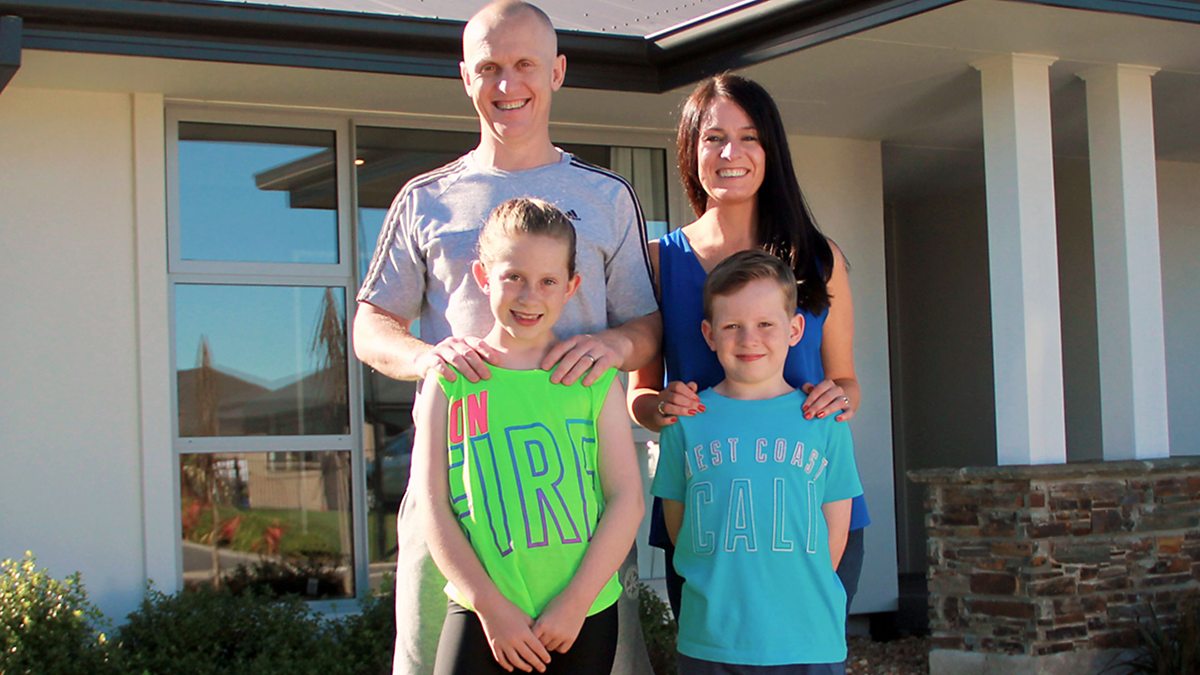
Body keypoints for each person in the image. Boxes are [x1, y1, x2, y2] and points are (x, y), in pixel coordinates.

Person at [353, 2, 660, 672]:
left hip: (577, 506)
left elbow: (647, 324)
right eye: (489, 66)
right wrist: (430, 358)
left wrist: (614, 347)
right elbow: (370, 327)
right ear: (466, 76)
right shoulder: (425, 199)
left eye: (525, 64)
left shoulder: (607, 197)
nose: (506, 83)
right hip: (459, 498)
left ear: (558, 72)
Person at [627, 73, 869, 619]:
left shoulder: (819, 258)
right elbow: (639, 396)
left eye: (749, 137)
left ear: (770, 149)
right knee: (712, 654)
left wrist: (839, 398)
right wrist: (662, 407)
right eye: (713, 138)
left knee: (808, 653)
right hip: (706, 515)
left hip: (810, 511)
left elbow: (847, 382)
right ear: (691, 151)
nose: (729, 153)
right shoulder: (659, 261)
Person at [412, 198, 644, 675]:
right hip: (483, 612)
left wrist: (576, 602)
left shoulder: (592, 379)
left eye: (548, 281)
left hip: (580, 615)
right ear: (483, 277)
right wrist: (490, 607)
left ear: (571, 286)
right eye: (513, 276)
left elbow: (626, 499)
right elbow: (432, 503)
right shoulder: (452, 379)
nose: (529, 296)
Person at [652, 250, 861, 674]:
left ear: (794, 329)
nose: (749, 339)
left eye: (766, 324)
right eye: (733, 326)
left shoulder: (823, 419)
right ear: (710, 334)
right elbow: (680, 530)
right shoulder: (685, 421)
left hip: (807, 639)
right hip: (712, 639)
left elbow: (834, 537)